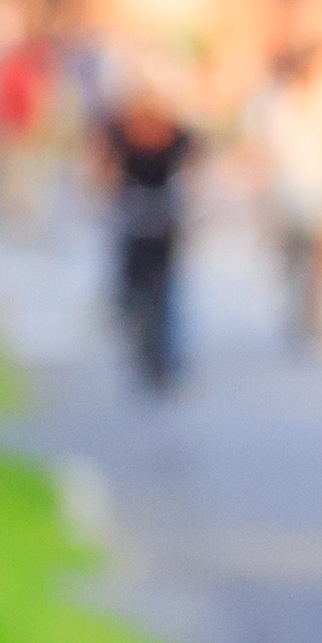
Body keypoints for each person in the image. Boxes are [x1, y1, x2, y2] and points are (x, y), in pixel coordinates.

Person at [98, 64, 197, 396]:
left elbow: (191, 172)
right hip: (138, 212)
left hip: (158, 213)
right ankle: (148, 350)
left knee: (161, 290)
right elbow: (106, 169)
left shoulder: (174, 132)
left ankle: (160, 358)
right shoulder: (121, 130)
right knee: (139, 286)